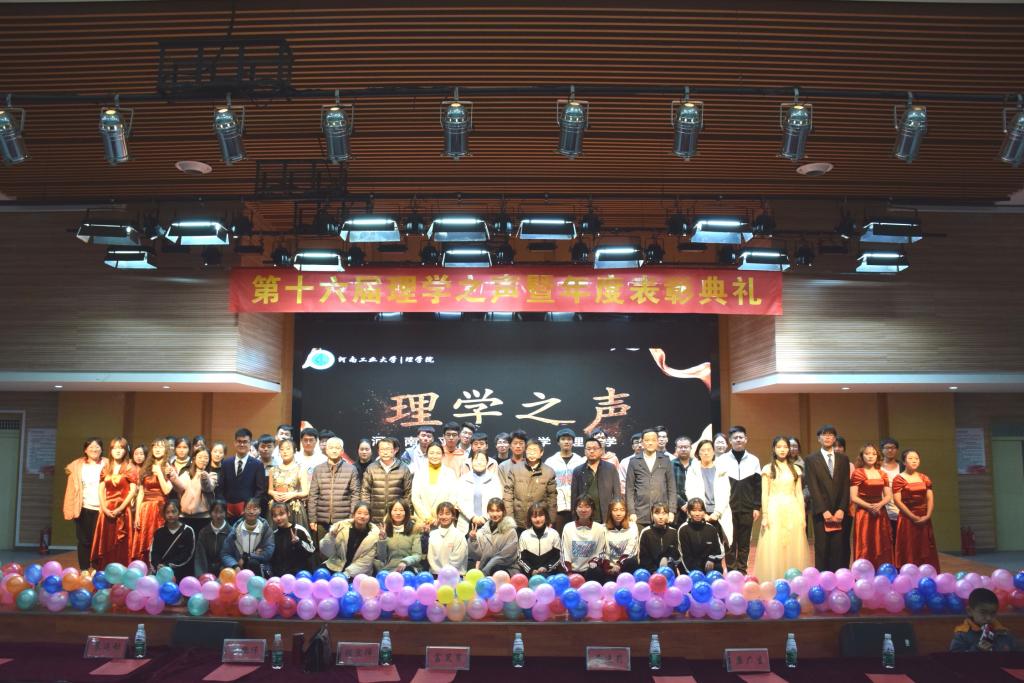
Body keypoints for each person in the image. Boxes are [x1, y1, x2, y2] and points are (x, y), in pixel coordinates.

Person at [753, 436, 809, 582]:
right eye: (779, 447)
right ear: (774, 449)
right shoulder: (767, 469)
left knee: (792, 544)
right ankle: (774, 579)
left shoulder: (796, 469)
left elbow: (799, 494)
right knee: (774, 544)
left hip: (792, 509)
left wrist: (803, 517)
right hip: (774, 509)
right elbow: (765, 493)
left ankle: (794, 580)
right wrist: (765, 515)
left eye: (785, 447)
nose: (782, 450)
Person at [805, 424, 852, 572]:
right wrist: (823, 510)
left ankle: (838, 578)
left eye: (831, 434)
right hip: (821, 512)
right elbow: (813, 486)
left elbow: (846, 485)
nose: (827, 437)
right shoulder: (811, 459)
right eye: (824, 434)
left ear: (834, 438)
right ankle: (822, 579)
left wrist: (842, 509)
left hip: (839, 512)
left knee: (838, 548)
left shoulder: (843, 459)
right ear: (819, 438)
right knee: (822, 548)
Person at [718, 425, 760, 573]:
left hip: (748, 508)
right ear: (730, 441)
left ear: (746, 439)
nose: (738, 440)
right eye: (735, 438)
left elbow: (758, 486)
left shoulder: (754, 460)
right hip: (728, 508)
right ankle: (731, 570)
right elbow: (718, 485)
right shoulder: (722, 460)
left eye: (741, 437)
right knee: (729, 541)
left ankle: (742, 570)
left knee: (744, 542)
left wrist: (757, 507)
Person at [91, 437, 137, 569]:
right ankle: (105, 570)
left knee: (121, 543)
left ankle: (122, 571)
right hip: (106, 510)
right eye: (115, 448)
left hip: (123, 511)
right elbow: (100, 489)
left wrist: (120, 509)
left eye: (121, 448)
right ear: (110, 450)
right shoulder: (106, 468)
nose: (118, 451)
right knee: (106, 541)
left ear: (125, 450)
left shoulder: (130, 468)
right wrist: (104, 508)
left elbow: (132, 491)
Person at [307, 436, 359, 552]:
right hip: (321, 520)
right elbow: (313, 495)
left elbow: (355, 495)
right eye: (331, 448)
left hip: (343, 520)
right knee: (323, 552)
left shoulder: (351, 469)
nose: (334, 450)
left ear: (342, 451)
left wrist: (352, 518)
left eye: (337, 448)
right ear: (326, 450)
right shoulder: (318, 469)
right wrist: (312, 519)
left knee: (342, 552)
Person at [63, 437, 107, 569]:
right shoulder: (77, 466)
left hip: (103, 509)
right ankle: (84, 569)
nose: (94, 449)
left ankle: (97, 568)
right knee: (84, 541)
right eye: (91, 447)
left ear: (102, 449)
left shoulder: (108, 464)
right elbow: (71, 490)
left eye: (97, 447)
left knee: (100, 541)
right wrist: (69, 509)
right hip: (83, 508)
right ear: (85, 450)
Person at [892, 449, 940, 570]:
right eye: (910, 458)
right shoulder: (899, 479)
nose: (914, 461)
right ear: (904, 462)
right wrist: (913, 517)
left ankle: (927, 572)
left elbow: (930, 499)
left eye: (916, 458)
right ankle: (909, 573)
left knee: (925, 547)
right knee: (909, 547)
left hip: (924, 517)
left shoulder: (924, 478)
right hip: (907, 518)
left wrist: (927, 515)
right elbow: (897, 501)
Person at [684, 438, 733, 554]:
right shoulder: (693, 469)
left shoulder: (721, 469)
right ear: (698, 453)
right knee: (699, 547)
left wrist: (717, 513)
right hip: (699, 514)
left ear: (713, 452)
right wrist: (701, 512)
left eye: (709, 450)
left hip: (719, 514)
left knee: (718, 548)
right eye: (703, 450)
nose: (706, 453)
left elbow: (726, 492)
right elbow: (690, 491)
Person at [850, 443, 894, 567]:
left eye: (874, 454)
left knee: (882, 543)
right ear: (862, 456)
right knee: (865, 543)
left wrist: (879, 505)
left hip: (880, 512)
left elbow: (888, 495)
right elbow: (853, 497)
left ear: (877, 457)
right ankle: (863, 571)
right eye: (867, 454)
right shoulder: (858, 473)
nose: (870, 456)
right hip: (864, 513)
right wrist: (869, 506)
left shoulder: (883, 474)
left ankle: (882, 570)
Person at [130, 439, 174, 563]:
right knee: (143, 540)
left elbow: (166, 490)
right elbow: (141, 493)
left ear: (166, 450)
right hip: (145, 509)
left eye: (161, 447)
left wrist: (159, 472)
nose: (157, 449)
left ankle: (157, 566)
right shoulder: (146, 468)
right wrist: (137, 514)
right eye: (155, 447)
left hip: (160, 509)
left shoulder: (169, 468)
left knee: (158, 540)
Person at [625, 428, 676, 528]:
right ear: (642, 442)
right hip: (640, 512)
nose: (650, 443)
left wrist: (672, 510)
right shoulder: (634, 461)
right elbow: (629, 489)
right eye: (647, 440)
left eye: (653, 440)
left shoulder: (665, 460)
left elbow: (672, 487)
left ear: (657, 441)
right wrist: (631, 512)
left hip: (661, 512)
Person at [504, 439, 557, 532]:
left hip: (539, 520)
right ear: (525, 452)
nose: (532, 453)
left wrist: (551, 519)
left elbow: (552, 499)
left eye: (535, 450)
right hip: (518, 520)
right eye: (529, 450)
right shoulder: (515, 469)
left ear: (541, 453)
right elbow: (508, 496)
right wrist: (509, 519)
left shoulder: (549, 472)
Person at [950, 588, 1023, 652]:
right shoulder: (962, 635)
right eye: (983, 612)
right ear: (970, 611)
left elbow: (1018, 654)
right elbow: (956, 659)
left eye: (993, 613)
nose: (988, 618)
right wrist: (977, 649)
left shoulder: (1003, 632)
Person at [361, 437, 413, 526]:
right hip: (374, 517)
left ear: (395, 450)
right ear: (378, 451)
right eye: (382, 449)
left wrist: (405, 515)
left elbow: (408, 494)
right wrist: (366, 512)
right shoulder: (371, 468)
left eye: (388, 449)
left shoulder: (404, 469)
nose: (385, 452)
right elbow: (365, 492)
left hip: (396, 517)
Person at [320, 501, 379, 578]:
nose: (362, 516)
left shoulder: (374, 536)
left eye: (366, 514)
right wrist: (331, 537)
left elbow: (365, 563)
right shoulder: (340, 528)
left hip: (357, 573)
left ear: (370, 517)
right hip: (336, 566)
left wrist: (346, 574)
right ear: (354, 514)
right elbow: (326, 551)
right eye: (359, 513)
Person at [220, 428, 268, 522]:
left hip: (249, 513)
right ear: (235, 443)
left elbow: (260, 490)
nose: (242, 444)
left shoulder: (257, 465)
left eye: (245, 442)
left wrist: (250, 507)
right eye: (239, 441)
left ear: (250, 444)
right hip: (227, 513)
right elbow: (220, 488)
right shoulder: (226, 463)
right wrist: (224, 506)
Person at [570, 437, 619, 524]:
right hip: (585, 516)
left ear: (601, 451)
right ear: (585, 451)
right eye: (588, 449)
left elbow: (617, 493)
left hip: (606, 515)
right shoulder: (578, 471)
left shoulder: (610, 468)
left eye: (595, 448)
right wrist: (575, 518)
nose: (592, 451)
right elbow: (574, 496)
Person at [222, 497, 274, 577]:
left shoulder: (266, 530)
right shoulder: (235, 530)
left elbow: (268, 553)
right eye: (248, 509)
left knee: (253, 563)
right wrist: (235, 566)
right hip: (239, 569)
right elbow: (225, 553)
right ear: (243, 510)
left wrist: (247, 557)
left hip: (259, 569)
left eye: (255, 509)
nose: (251, 512)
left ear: (260, 510)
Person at [544, 428, 585, 532]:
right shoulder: (550, 461)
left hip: (576, 507)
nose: (566, 442)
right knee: (558, 536)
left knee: (575, 536)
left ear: (573, 442)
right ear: (558, 442)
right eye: (563, 439)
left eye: (569, 439)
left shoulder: (580, 461)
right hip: (557, 508)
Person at [169, 448, 216, 535]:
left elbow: (208, 488)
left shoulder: (212, 475)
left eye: (206, 457)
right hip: (184, 517)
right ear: (194, 458)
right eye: (200, 457)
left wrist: (204, 477)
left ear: (209, 460)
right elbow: (179, 488)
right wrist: (172, 476)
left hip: (203, 518)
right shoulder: (187, 474)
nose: (203, 460)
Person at [412, 442, 458, 529]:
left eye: (438, 453)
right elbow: (415, 498)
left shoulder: (450, 473)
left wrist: (442, 516)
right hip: (423, 521)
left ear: (443, 455)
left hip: (444, 520)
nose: (434, 456)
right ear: (427, 455)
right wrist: (428, 518)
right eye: (431, 453)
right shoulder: (419, 473)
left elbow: (453, 497)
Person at [456, 449, 504, 534]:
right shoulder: (463, 479)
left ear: (487, 462)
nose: (479, 462)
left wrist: (485, 517)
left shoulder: (494, 479)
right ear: (471, 462)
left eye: (482, 460)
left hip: (489, 520)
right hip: (466, 522)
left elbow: (497, 500)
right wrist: (472, 517)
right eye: (476, 459)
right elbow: (459, 501)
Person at [561, 495, 608, 580]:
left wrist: (594, 563)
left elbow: (601, 552)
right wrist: (569, 573)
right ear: (575, 509)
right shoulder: (568, 527)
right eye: (580, 506)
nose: (583, 510)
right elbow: (565, 553)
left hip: (591, 571)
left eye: (587, 506)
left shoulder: (599, 528)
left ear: (592, 509)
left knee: (596, 572)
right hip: (572, 572)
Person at [148, 498, 196, 581]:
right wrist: (157, 565)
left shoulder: (187, 531)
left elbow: (188, 554)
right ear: (164, 514)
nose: (170, 515)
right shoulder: (158, 532)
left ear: (179, 512)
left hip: (181, 574)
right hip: (161, 573)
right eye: (167, 512)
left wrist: (168, 565)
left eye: (173, 512)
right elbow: (154, 552)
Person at [469, 498, 519, 576]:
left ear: (503, 512)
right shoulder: (483, 531)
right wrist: (473, 539)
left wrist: (487, 570)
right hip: (485, 571)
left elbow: (507, 556)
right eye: (492, 511)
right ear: (488, 512)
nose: (495, 514)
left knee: (497, 570)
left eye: (498, 511)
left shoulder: (511, 531)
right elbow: (477, 556)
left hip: (506, 570)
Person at [268, 438, 310, 530]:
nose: (285, 452)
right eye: (282, 449)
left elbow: (306, 492)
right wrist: (274, 494)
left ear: (294, 451)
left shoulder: (300, 469)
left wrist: (292, 494)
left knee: (294, 534)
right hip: (276, 505)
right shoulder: (273, 469)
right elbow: (270, 490)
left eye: (288, 449)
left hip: (293, 506)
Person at [375, 499, 424, 573]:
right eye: (395, 510)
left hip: (409, 570)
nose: (398, 513)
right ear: (390, 512)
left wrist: (405, 562)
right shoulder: (385, 530)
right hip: (389, 570)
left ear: (406, 512)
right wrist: (382, 540)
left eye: (401, 510)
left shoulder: (414, 529)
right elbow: (381, 558)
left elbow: (417, 555)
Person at [678, 498, 724, 573]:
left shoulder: (711, 528)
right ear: (689, 512)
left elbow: (719, 551)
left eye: (700, 510)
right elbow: (684, 555)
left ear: (704, 512)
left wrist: (711, 559)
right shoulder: (683, 529)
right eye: (694, 510)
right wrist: (696, 572)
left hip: (709, 564)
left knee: (718, 568)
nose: (697, 514)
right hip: (690, 568)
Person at [269, 501, 315, 576]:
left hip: (300, 575)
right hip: (281, 577)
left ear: (288, 514)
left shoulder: (299, 530)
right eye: (275, 516)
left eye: (281, 514)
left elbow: (312, 550)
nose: (278, 518)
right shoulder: (274, 535)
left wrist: (299, 542)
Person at [517, 502, 562, 577]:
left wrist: (546, 568)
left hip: (550, 575)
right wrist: (531, 570)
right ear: (530, 518)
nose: (538, 519)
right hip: (530, 575)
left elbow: (558, 557)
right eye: (534, 516)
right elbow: (521, 559)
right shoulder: (524, 535)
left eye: (541, 516)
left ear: (546, 516)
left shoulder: (554, 534)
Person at [637, 502, 679, 573]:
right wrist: (653, 571)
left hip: (668, 570)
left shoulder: (673, 532)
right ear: (652, 515)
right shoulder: (646, 532)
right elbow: (644, 558)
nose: (660, 517)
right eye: (657, 513)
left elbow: (675, 556)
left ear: (668, 515)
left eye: (664, 513)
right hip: (650, 571)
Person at [428, 501, 468, 574]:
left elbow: (457, 561)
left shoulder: (459, 535)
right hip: (435, 574)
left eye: (447, 514)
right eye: (441, 514)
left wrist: (445, 573)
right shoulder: (432, 534)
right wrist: (437, 572)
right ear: (437, 516)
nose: (444, 517)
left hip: (455, 575)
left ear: (453, 516)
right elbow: (431, 558)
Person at [603, 498, 640, 575]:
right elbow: (604, 552)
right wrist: (608, 569)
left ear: (626, 512)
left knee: (632, 561)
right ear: (610, 512)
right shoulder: (603, 528)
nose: (618, 513)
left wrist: (619, 565)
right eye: (615, 510)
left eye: (622, 510)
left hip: (625, 565)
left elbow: (631, 550)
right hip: (610, 567)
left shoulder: (633, 526)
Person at [194, 499, 229, 577]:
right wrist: (202, 576)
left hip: (224, 571)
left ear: (226, 513)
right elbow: (200, 556)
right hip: (207, 570)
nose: (218, 515)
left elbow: (230, 555)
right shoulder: (203, 532)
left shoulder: (231, 532)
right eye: (215, 512)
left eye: (221, 512)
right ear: (210, 513)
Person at [879, 438, 903, 546]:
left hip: (900, 509)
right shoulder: (877, 467)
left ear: (897, 450)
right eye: (887, 448)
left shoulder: (902, 466)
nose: (890, 450)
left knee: (899, 542)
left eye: (893, 448)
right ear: (882, 450)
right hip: (882, 509)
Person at [672, 435, 694, 519]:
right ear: (676, 449)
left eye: (686, 447)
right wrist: (682, 503)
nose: (683, 449)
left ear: (691, 448)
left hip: (695, 506)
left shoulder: (696, 464)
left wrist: (691, 503)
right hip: (675, 507)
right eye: (680, 447)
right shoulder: (670, 465)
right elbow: (669, 488)